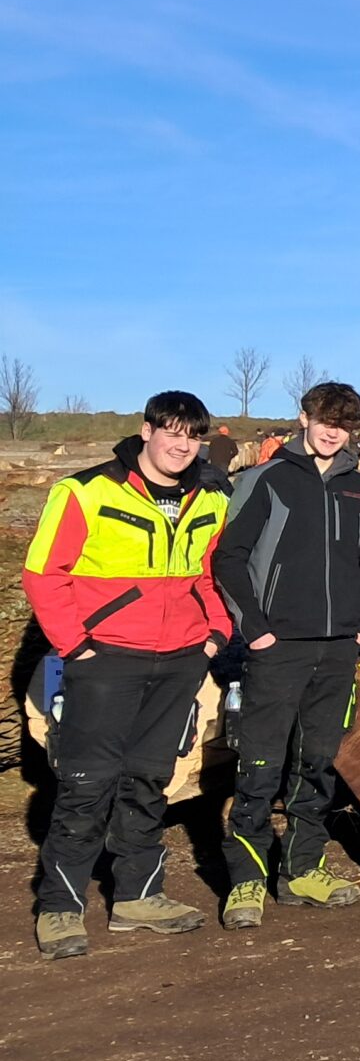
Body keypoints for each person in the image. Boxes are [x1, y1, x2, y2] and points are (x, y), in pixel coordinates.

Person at [26, 392, 231, 959]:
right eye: (171, 432)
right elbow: (44, 574)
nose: (181, 444)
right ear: (146, 431)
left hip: (182, 657)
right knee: (86, 783)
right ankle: (61, 907)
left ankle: (137, 896)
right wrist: (77, 646)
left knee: (148, 778)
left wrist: (214, 633)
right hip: (106, 658)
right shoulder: (85, 491)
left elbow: (213, 573)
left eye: (192, 436)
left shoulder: (212, 496)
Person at [211, 380, 360, 928]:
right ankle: (247, 880)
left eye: (345, 424)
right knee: (259, 765)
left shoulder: (359, 488)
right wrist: (254, 630)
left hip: (336, 649)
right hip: (276, 647)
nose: (334, 432)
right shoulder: (266, 479)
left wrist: (357, 630)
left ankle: (302, 869)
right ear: (305, 418)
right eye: (326, 420)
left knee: (318, 764)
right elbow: (229, 559)